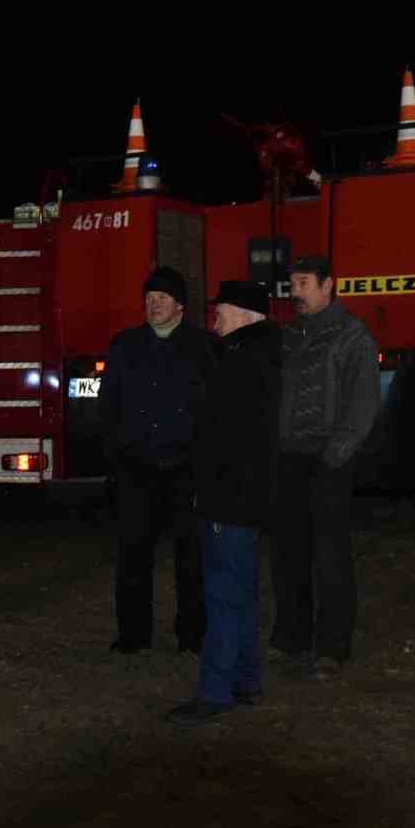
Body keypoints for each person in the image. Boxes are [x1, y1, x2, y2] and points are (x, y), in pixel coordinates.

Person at [168, 280, 283, 725]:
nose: (214, 320)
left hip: (228, 497)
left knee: (222, 596)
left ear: (242, 314)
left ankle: (215, 691)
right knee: (241, 592)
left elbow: (218, 433)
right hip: (245, 496)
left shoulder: (239, 361)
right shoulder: (260, 355)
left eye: (221, 311)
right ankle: (245, 679)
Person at [98, 265, 216, 656]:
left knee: (191, 558)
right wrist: (116, 459)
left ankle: (193, 635)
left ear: (180, 305)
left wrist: (206, 463)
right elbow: (108, 407)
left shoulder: (203, 347)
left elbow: (215, 411)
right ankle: (133, 634)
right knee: (133, 557)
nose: (154, 305)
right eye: (149, 298)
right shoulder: (124, 346)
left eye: (162, 298)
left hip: (186, 470)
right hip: (136, 470)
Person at [272, 255, 380, 679]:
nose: (295, 293)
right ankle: (292, 638)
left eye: (303, 283)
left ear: (327, 285)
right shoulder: (290, 335)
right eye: (292, 285)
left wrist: (335, 455)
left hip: (327, 461)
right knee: (289, 554)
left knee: (329, 556)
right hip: (289, 459)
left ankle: (332, 647)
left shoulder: (353, 336)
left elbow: (363, 403)